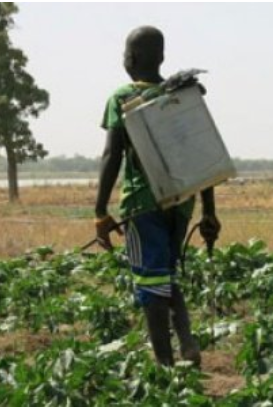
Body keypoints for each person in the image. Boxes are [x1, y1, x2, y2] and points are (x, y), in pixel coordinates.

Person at [94, 25, 222, 367]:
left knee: (151, 283)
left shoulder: (121, 98)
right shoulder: (180, 97)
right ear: (161, 57)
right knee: (166, 274)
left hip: (141, 204)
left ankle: (164, 365)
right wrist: (208, 212)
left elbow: (112, 156)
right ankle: (188, 342)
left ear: (130, 58)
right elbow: (201, 155)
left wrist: (99, 212)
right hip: (182, 203)